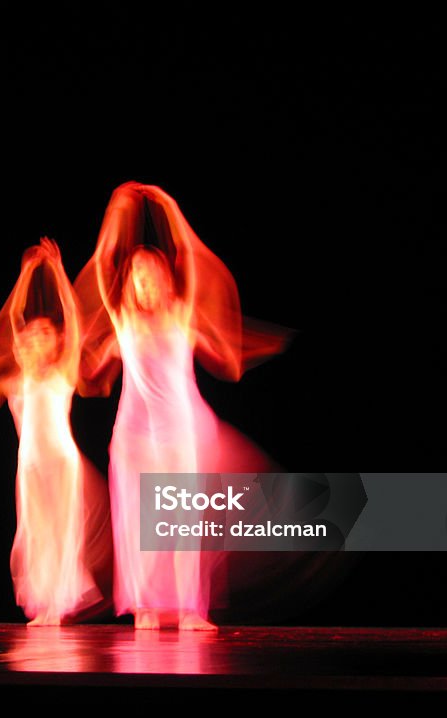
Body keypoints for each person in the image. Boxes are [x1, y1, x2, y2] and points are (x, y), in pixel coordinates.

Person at [74, 182, 289, 629]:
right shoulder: (123, 323)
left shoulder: (182, 316)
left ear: (166, 280)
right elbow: (101, 264)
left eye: (152, 275)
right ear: (129, 284)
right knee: (139, 520)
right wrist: (117, 209)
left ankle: (192, 608)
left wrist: (169, 208)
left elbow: (192, 255)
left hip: (179, 429)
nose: (145, 283)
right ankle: (147, 605)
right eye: (137, 277)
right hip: (134, 434)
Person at [0, 239, 112, 625]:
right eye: (34, 333)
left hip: (60, 461)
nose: (39, 337)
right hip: (29, 465)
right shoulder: (17, 379)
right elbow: (13, 318)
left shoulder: (63, 374)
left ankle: (59, 604)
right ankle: (45, 605)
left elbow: (73, 322)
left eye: (47, 332)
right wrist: (26, 274)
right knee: (36, 533)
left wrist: (57, 270)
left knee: (61, 532)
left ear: (56, 342)